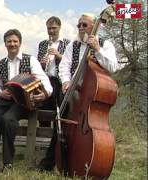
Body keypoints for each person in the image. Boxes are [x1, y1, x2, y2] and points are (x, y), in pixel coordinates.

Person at [36, 13, 118, 172]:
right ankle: (50, 163)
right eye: (79, 25)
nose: (81, 28)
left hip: (91, 95)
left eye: (84, 25)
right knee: (60, 126)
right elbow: (64, 67)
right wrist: (66, 81)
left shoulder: (105, 44)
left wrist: (97, 50)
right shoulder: (72, 46)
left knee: (87, 128)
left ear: (94, 26)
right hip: (71, 93)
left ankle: (90, 159)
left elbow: (113, 66)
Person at [0, 29, 53, 176]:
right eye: (9, 41)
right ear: (5, 44)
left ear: (20, 43)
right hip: (5, 100)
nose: (12, 44)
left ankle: (8, 163)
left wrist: (44, 94)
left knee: (8, 120)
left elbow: (45, 81)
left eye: (15, 41)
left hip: (23, 102)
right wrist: (0, 93)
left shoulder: (31, 60)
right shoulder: (1, 63)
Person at [36, 16, 70, 126]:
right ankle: (43, 134)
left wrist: (58, 55)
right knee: (43, 107)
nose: (51, 31)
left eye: (54, 28)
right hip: (45, 79)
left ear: (59, 28)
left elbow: (70, 63)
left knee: (59, 109)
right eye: (49, 28)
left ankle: (57, 137)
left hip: (59, 81)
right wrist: (41, 63)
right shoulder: (42, 44)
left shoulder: (67, 43)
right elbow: (37, 65)